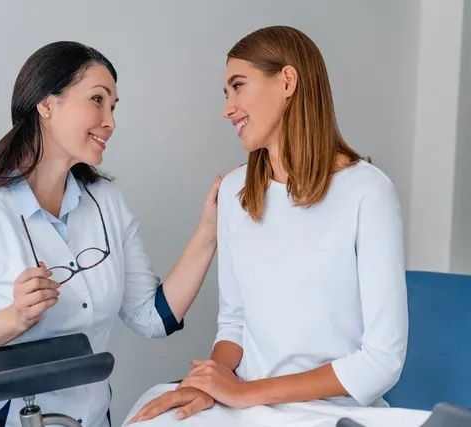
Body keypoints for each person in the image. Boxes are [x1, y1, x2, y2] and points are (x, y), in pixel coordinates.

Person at [0, 41, 221, 427]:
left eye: (114, 106)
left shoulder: (107, 203)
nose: (110, 120)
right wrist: (14, 319)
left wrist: (210, 230)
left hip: (88, 418)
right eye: (97, 99)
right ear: (47, 104)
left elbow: (152, 318)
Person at [129, 25, 407, 423]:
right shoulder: (234, 192)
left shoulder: (368, 192)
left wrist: (244, 392)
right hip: (246, 404)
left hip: (329, 412)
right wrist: (212, 380)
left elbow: (381, 361)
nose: (228, 107)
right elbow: (234, 324)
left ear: (288, 81)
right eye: (226, 94)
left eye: (238, 86)